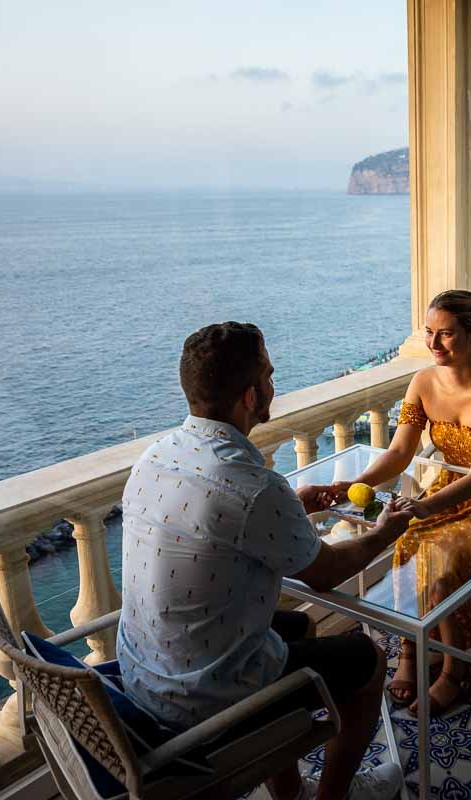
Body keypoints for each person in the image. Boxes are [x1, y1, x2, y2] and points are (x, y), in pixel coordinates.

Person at [116, 322, 412, 800]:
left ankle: (288, 791)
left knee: (295, 627)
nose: (275, 384)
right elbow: (327, 574)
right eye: (270, 375)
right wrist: (385, 532)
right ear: (252, 395)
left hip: (144, 672)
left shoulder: (155, 455)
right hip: (202, 701)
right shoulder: (252, 486)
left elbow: (220, 525)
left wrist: (295, 504)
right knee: (369, 660)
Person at [329, 290, 471, 716]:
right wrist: (355, 482)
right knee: (410, 543)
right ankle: (410, 650)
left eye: (446, 335)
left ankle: (453, 672)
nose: (433, 344)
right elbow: (399, 452)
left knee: (442, 558)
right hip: (448, 485)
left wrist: (424, 508)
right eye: (429, 332)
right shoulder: (422, 382)